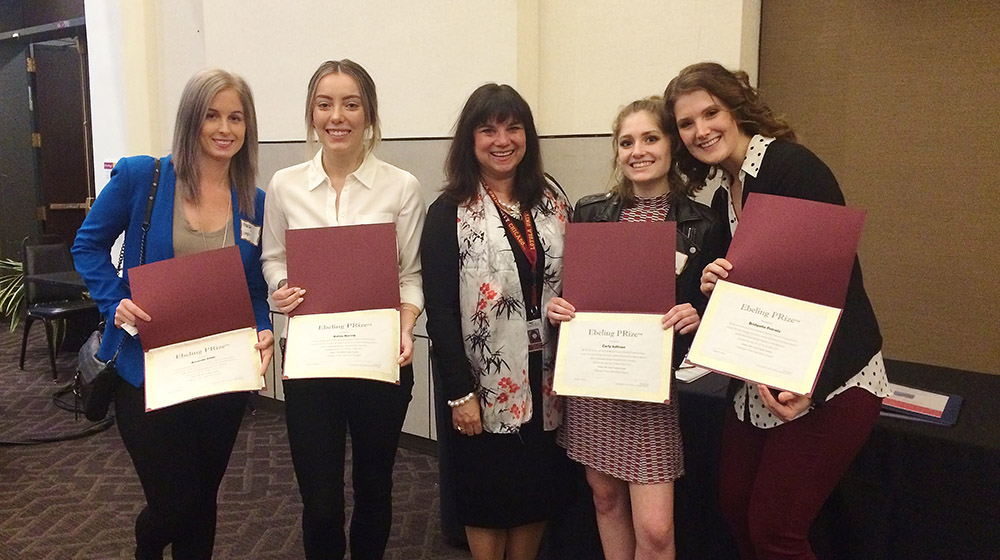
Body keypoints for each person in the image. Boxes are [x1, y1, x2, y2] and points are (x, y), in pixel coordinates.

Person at [664, 62, 890, 560]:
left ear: (736, 109)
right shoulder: (726, 194)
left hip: (828, 381)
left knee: (774, 531)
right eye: (686, 123)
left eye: (711, 112)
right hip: (760, 381)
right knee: (737, 510)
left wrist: (811, 385)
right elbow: (742, 291)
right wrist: (709, 295)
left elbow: (836, 288)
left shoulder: (791, 168)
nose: (701, 130)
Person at [72, 68, 274, 559]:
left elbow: (253, 288)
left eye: (236, 117)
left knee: (203, 502)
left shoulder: (255, 203)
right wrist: (112, 299)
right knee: (175, 503)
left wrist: (265, 329)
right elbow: (88, 245)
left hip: (219, 375)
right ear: (191, 120)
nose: (224, 128)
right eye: (212, 115)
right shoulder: (146, 176)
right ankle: (147, 546)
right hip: (146, 369)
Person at [545, 96, 725, 560]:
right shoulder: (589, 212)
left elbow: (719, 307)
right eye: (626, 142)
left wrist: (699, 314)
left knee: (658, 530)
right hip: (596, 383)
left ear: (671, 146)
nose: (637, 151)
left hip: (654, 391)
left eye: (650, 138)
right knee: (605, 500)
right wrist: (559, 307)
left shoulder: (704, 224)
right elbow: (574, 292)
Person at [259, 59, 425, 560]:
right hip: (311, 364)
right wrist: (281, 288)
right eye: (325, 104)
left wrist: (406, 323)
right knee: (321, 501)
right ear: (311, 114)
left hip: (381, 359)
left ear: (369, 114)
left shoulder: (402, 187)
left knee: (375, 488)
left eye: (351, 104)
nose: (338, 116)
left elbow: (411, 275)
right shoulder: (285, 186)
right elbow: (272, 259)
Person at [421, 83, 574, 560]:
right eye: (487, 130)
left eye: (513, 127)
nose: (501, 140)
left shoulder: (552, 201)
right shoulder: (447, 212)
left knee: (536, 488)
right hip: (483, 377)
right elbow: (441, 311)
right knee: (486, 493)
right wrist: (460, 393)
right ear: (470, 140)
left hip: (545, 371)